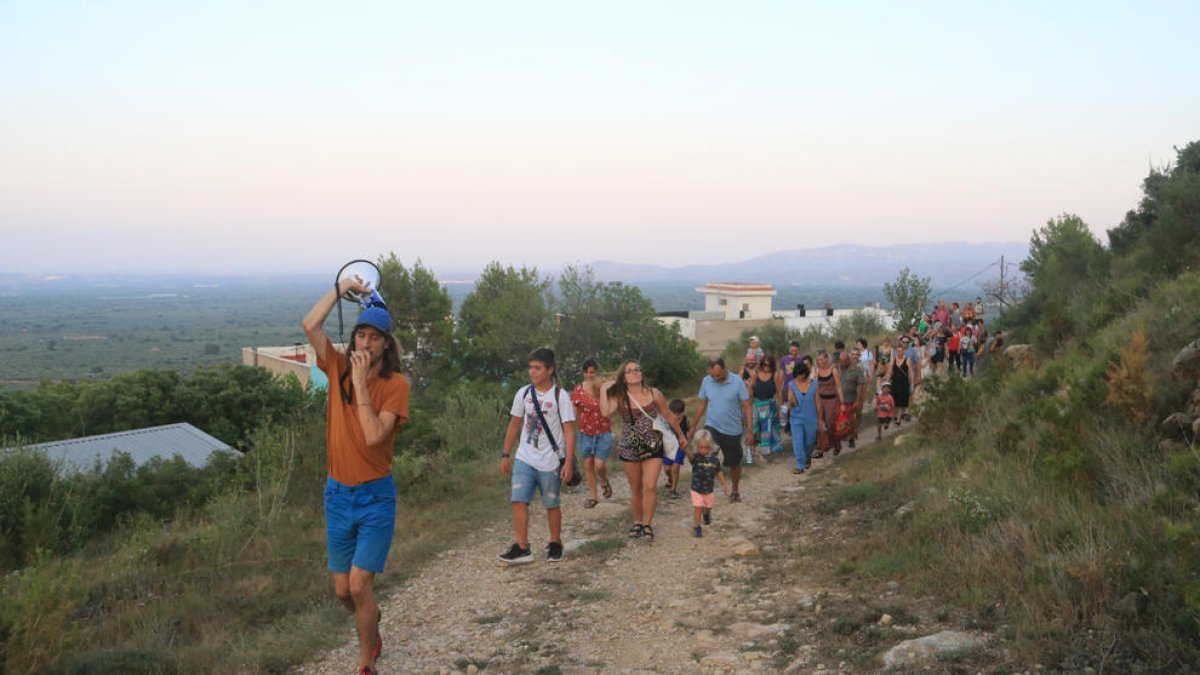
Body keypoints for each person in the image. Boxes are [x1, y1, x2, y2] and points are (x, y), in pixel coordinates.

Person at [303, 275, 411, 675]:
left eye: (373, 338)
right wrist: (342, 285)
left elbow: (373, 436)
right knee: (342, 591)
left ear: (386, 345)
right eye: (360, 335)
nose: (365, 343)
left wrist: (362, 387)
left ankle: (366, 662)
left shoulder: (396, 385)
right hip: (337, 496)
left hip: (374, 498)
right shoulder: (337, 366)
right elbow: (309, 325)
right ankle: (371, 620)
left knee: (358, 584)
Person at [499, 348, 577, 565]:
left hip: (550, 460)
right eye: (530, 368)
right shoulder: (523, 393)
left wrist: (568, 462)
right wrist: (505, 453)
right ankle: (522, 547)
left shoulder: (560, 396)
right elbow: (514, 423)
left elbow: (569, 431)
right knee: (518, 500)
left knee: (551, 503)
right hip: (525, 456)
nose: (532, 372)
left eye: (537, 368)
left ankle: (555, 542)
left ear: (550, 370)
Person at [600, 360, 686, 543]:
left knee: (650, 486)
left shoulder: (654, 394)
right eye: (629, 371)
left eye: (637, 369)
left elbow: (669, 416)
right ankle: (637, 521)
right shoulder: (620, 397)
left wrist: (680, 435)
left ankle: (647, 524)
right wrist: (603, 389)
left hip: (653, 445)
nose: (634, 372)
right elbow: (605, 413)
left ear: (642, 373)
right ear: (624, 377)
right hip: (629, 447)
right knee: (636, 487)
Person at [690, 357, 753, 502]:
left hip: (732, 430)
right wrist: (693, 426)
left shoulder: (737, 381)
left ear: (725, 368)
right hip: (712, 426)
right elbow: (702, 404)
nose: (715, 378)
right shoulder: (707, 381)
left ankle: (735, 490)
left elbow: (747, 406)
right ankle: (703, 493)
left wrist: (750, 431)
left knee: (734, 463)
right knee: (705, 458)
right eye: (712, 375)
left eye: (718, 375)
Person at [570, 357, 612, 509]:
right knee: (588, 465)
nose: (590, 375)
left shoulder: (602, 387)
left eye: (592, 372)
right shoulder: (577, 390)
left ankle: (604, 480)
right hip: (585, 433)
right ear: (583, 373)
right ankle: (593, 496)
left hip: (602, 431)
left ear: (596, 372)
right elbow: (573, 412)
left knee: (599, 465)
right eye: (587, 372)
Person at [684, 430, 730, 537]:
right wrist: (684, 447)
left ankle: (706, 513)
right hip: (696, 488)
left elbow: (718, 472)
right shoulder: (696, 458)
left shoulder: (714, 460)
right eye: (701, 447)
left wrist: (724, 484)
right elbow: (689, 455)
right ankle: (697, 527)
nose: (703, 450)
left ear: (710, 447)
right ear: (697, 446)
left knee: (708, 506)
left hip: (709, 489)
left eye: (706, 447)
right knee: (698, 507)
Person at [785, 361, 819, 474]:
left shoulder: (814, 384)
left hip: (811, 417)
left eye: (803, 374)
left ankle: (807, 457)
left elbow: (818, 402)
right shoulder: (791, 385)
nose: (800, 377)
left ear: (806, 373)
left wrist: (820, 418)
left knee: (810, 441)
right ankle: (799, 465)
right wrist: (789, 402)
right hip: (796, 417)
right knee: (798, 441)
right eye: (798, 374)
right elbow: (789, 403)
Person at [748, 353, 783, 458]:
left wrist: (781, 409)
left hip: (769, 406)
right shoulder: (756, 373)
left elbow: (779, 392)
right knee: (754, 427)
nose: (766, 367)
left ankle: (765, 452)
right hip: (756, 405)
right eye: (764, 364)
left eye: (769, 365)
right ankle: (752, 451)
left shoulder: (775, 375)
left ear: (772, 365)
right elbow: (750, 387)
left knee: (766, 428)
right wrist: (750, 398)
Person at [813, 350, 844, 457]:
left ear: (826, 359)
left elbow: (838, 387)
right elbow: (815, 387)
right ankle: (821, 448)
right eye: (818, 360)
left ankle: (836, 444)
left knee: (831, 424)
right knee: (820, 424)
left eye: (822, 359)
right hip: (820, 400)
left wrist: (842, 402)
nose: (820, 361)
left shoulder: (833, 370)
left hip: (832, 400)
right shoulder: (817, 371)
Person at [886, 339, 919, 424]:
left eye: (901, 351)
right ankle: (895, 415)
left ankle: (898, 419)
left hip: (903, 382)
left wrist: (912, 384)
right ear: (896, 352)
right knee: (894, 398)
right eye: (898, 351)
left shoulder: (907, 359)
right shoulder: (894, 359)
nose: (899, 353)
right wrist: (887, 381)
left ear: (903, 351)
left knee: (901, 399)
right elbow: (890, 370)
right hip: (895, 381)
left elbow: (911, 372)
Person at [839, 350, 867, 449]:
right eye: (841, 361)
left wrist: (858, 400)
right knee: (842, 420)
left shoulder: (856, 370)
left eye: (844, 361)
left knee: (851, 419)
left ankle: (851, 438)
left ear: (848, 360)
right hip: (840, 400)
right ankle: (844, 435)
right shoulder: (837, 368)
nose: (842, 363)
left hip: (852, 399)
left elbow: (860, 385)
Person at [662, 399, 689, 499]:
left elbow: (690, 429)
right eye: (674, 413)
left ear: (682, 412)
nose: (676, 416)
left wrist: (689, 433)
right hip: (668, 448)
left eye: (679, 413)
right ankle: (670, 479)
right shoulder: (666, 421)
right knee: (667, 469)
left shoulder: (685, 420)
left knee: (675, 468)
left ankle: (673, 490)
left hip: (680, 448)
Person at [779, 341, 802, 433]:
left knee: (796, 407)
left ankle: (794, 425)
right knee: (785, 407)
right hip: (786, 387)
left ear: (798, 350)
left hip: (798, 388)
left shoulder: (801, 359)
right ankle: (785, 424)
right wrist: (779, 387)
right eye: (792, 350)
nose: (793, 352)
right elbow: (782, 373)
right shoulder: (784, 359)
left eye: (795, 351)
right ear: (789, 349)